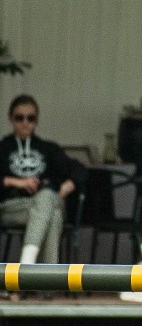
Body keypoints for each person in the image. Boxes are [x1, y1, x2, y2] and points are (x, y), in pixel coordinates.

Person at [0, 94, 88, 264]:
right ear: (11, 118)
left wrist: (69, 185)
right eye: (20, 118)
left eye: (30, 118)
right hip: (11, 207)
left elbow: (79, 169)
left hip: (44, 202)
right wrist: (15, 181)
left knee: (47, 198)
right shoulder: (3, 149)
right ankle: (46, 283)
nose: (25, 122)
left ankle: (28, 266)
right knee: (52, 213)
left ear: (36, 120)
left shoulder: (47, 149)